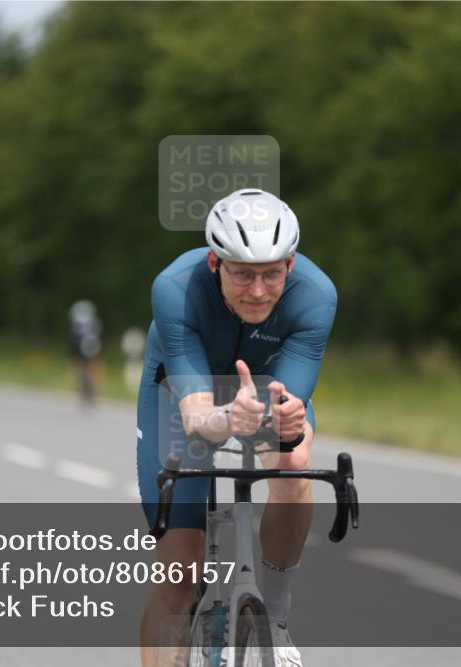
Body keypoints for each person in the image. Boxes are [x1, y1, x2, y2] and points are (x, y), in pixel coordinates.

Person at [136, 189, 337, 666]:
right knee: (180, 575)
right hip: (179, 392)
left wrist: (286, 422)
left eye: (272, 273)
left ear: (291, 264)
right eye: (242, 274)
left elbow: (289, 404)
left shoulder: (316, 295)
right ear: (214, 262)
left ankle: (278, 616)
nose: (259, 289)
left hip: (262, 384)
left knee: (294, 457)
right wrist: (227, 419)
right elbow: (199, 418)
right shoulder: (174, 288)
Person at [69, 299, 103, 405]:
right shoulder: (94, 321)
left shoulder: (77, 323)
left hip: (81, 345)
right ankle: (92, 386)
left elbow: (73, 339)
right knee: (92, 365)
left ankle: (83, 384)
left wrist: (72, 354)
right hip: (93, 345)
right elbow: (100, 335)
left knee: (80, 365)